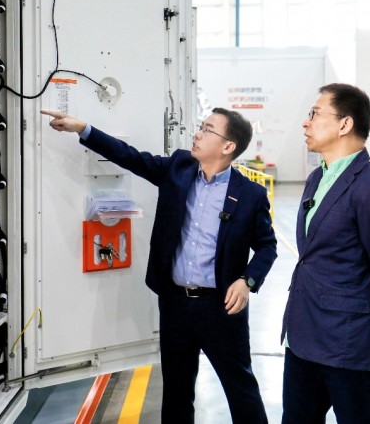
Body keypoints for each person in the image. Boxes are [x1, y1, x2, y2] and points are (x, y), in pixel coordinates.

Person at [41, 107, 277, 423]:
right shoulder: (179, 168)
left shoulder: (250, 194)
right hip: (176, 304)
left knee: (240, 389)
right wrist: (83, 128)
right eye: (200, 127)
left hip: (221, 308)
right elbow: (129, 156)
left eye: (207, 129)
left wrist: (247, 280)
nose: (197, 134)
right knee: (177, 392)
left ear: (228, 146)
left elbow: (267, 247)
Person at [280, 83, 370, 424]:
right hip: (304, 337)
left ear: (345, 124)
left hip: (349, 344)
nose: (306, 122)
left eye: (314, 114)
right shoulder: (317, 178)